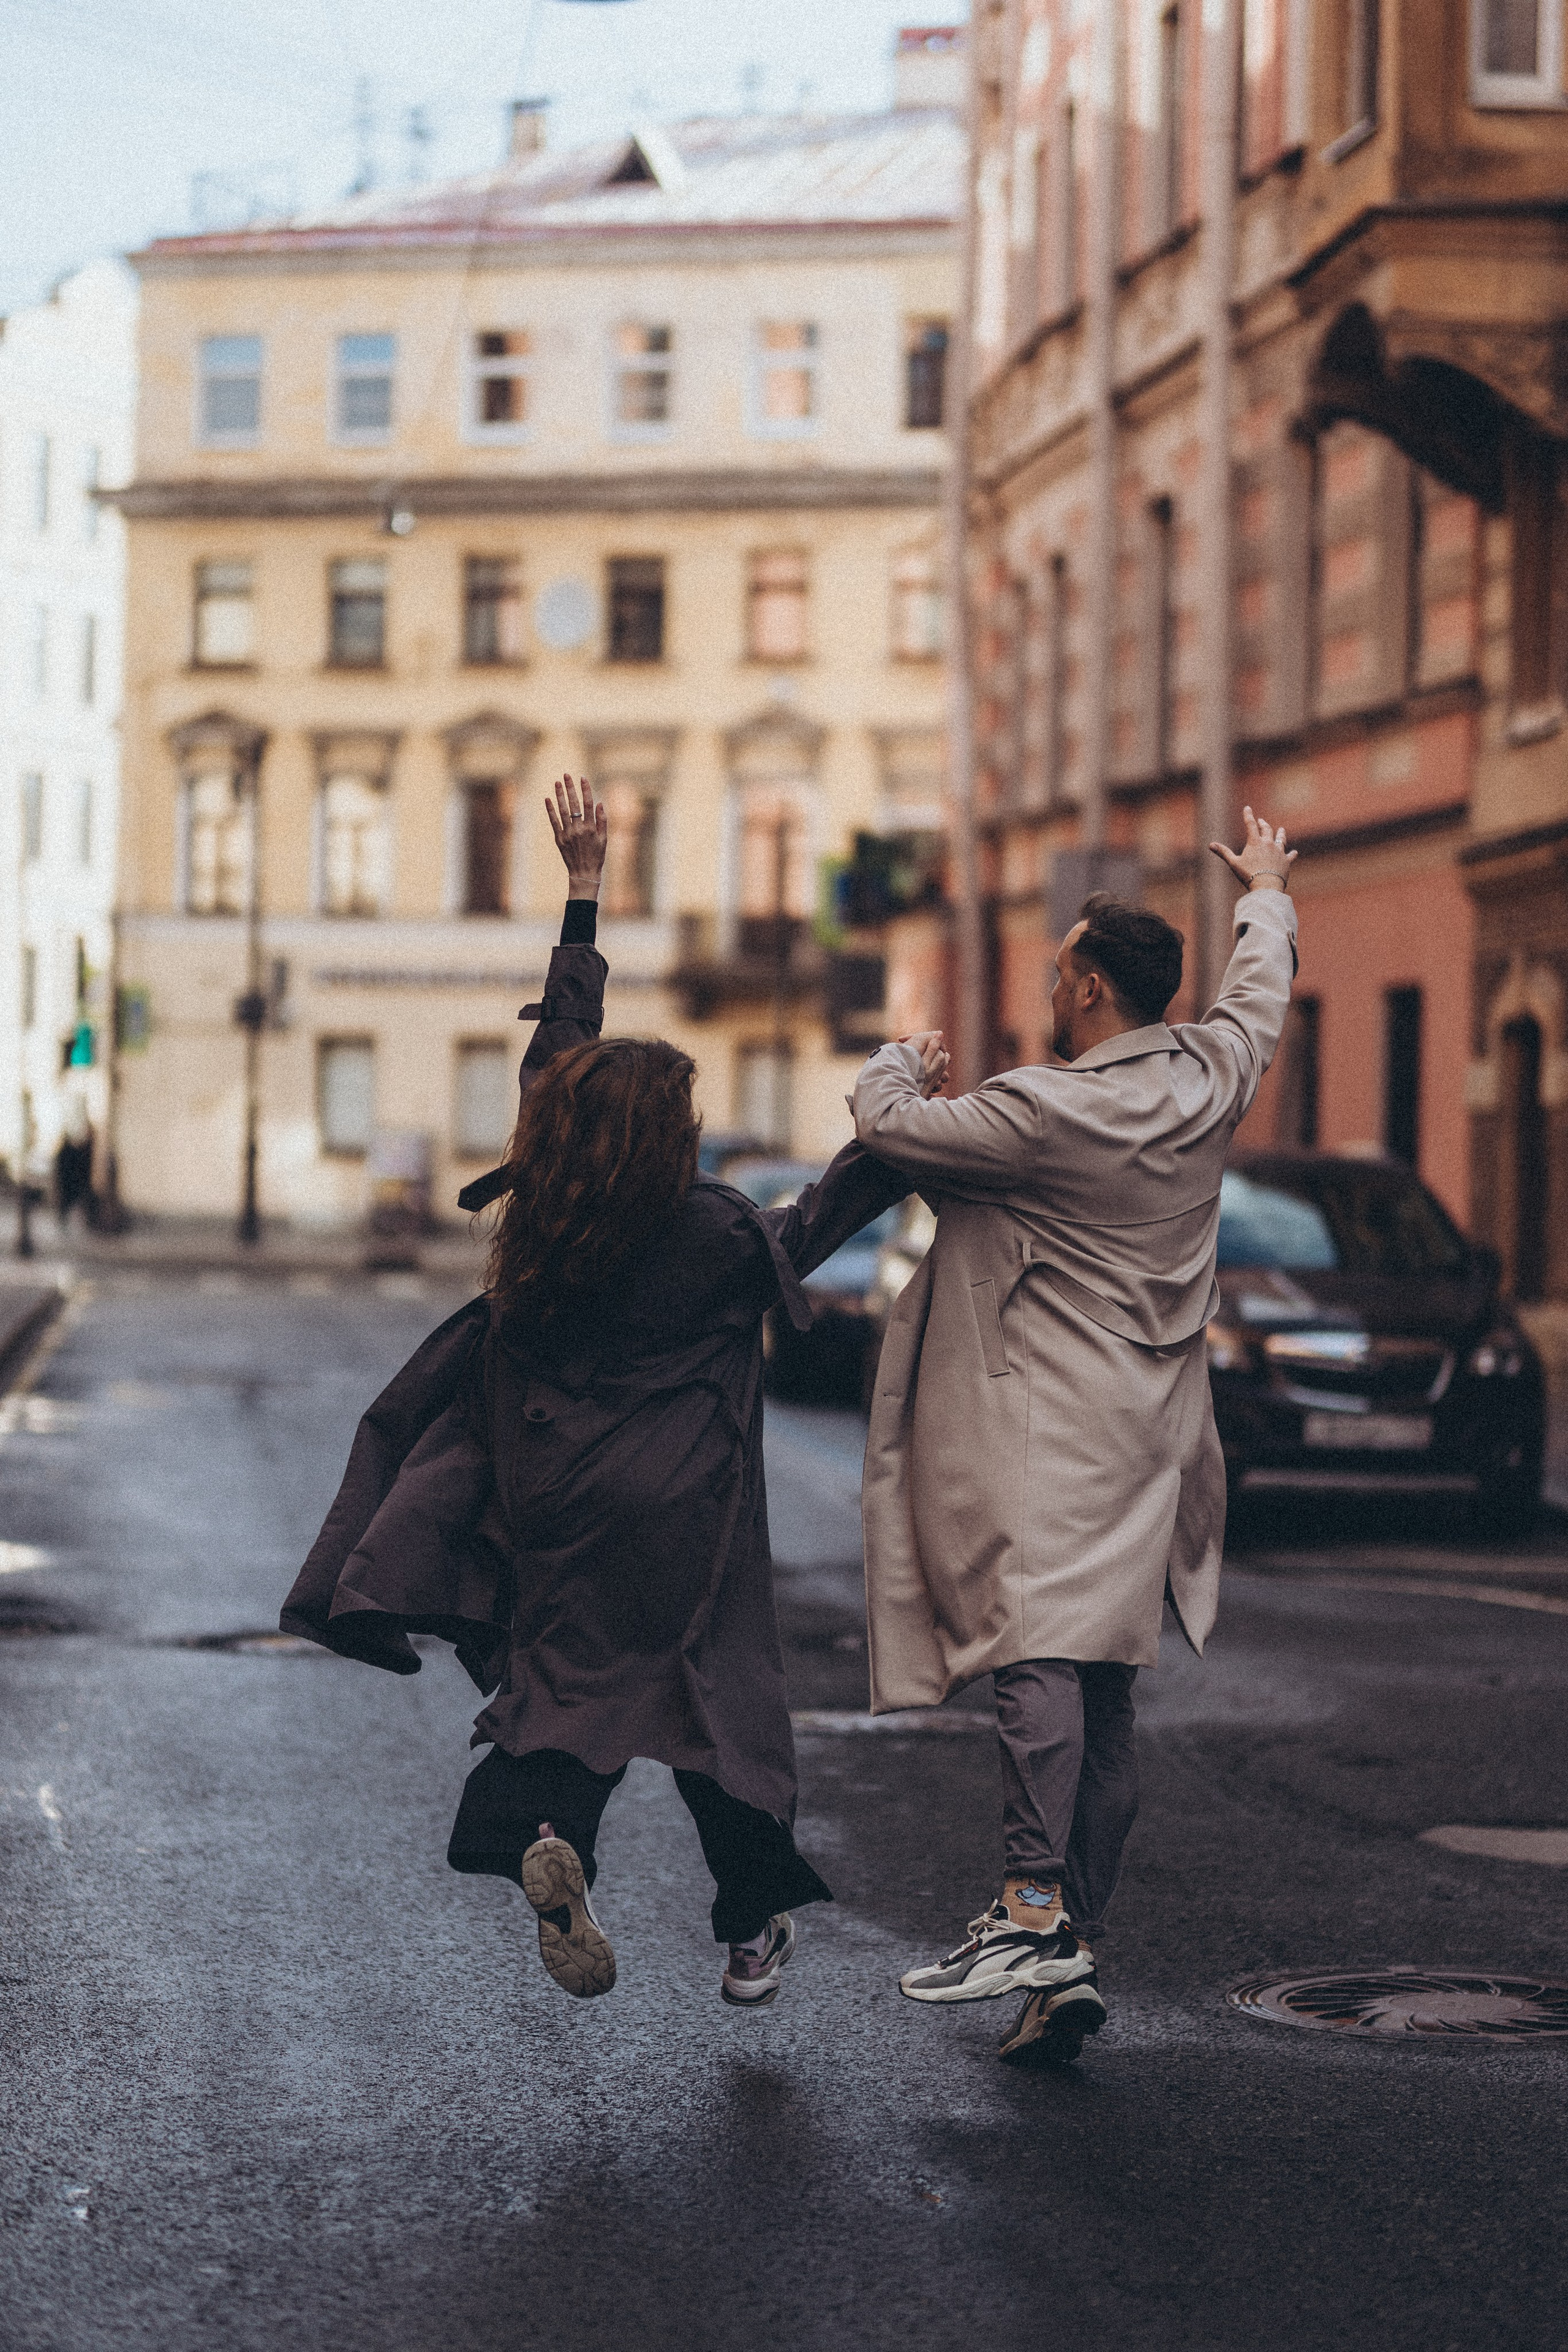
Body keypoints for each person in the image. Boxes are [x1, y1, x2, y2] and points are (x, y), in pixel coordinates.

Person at [283, 779, 913, 2010]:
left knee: (569, 1690)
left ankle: (540, 1836)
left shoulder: (549, 1215)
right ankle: (750, 1934)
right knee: (717, 1703)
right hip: (684, 1514)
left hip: (558, 1503)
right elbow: (823, 1218)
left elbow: (557, 1062)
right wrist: (897, 1113)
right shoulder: (713, 1235)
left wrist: (582, 893)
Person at [850, 810, 1299, 2068]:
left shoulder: (1045, 1110)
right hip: (1153, 1436)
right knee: (1103, 1688)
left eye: (1057, 972)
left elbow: (889, 1129)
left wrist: (899, 1061)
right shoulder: (1211, 1078)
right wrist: (1265, 893)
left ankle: (1032, 1910)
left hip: (1049, 1433)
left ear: (1090, 989)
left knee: (1037, 1655)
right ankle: (1071, 1959)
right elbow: (1258, 997)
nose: (1049, 990)